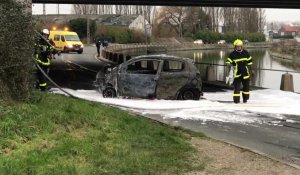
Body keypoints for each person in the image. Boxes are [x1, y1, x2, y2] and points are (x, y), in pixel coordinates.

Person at [226, 39, 253, 103]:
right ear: (235, 47)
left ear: (242, 46)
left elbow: (250, 62)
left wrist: (252, 71)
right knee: (237, 89)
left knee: (246, 88)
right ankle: (236, 101)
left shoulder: (246, 53)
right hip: (237, 74)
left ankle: (245, 99)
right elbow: (228, 61)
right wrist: (229, 64)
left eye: (239, 46)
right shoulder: (232, 54)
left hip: (245, 74)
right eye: (237, 46)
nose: (238, 47)